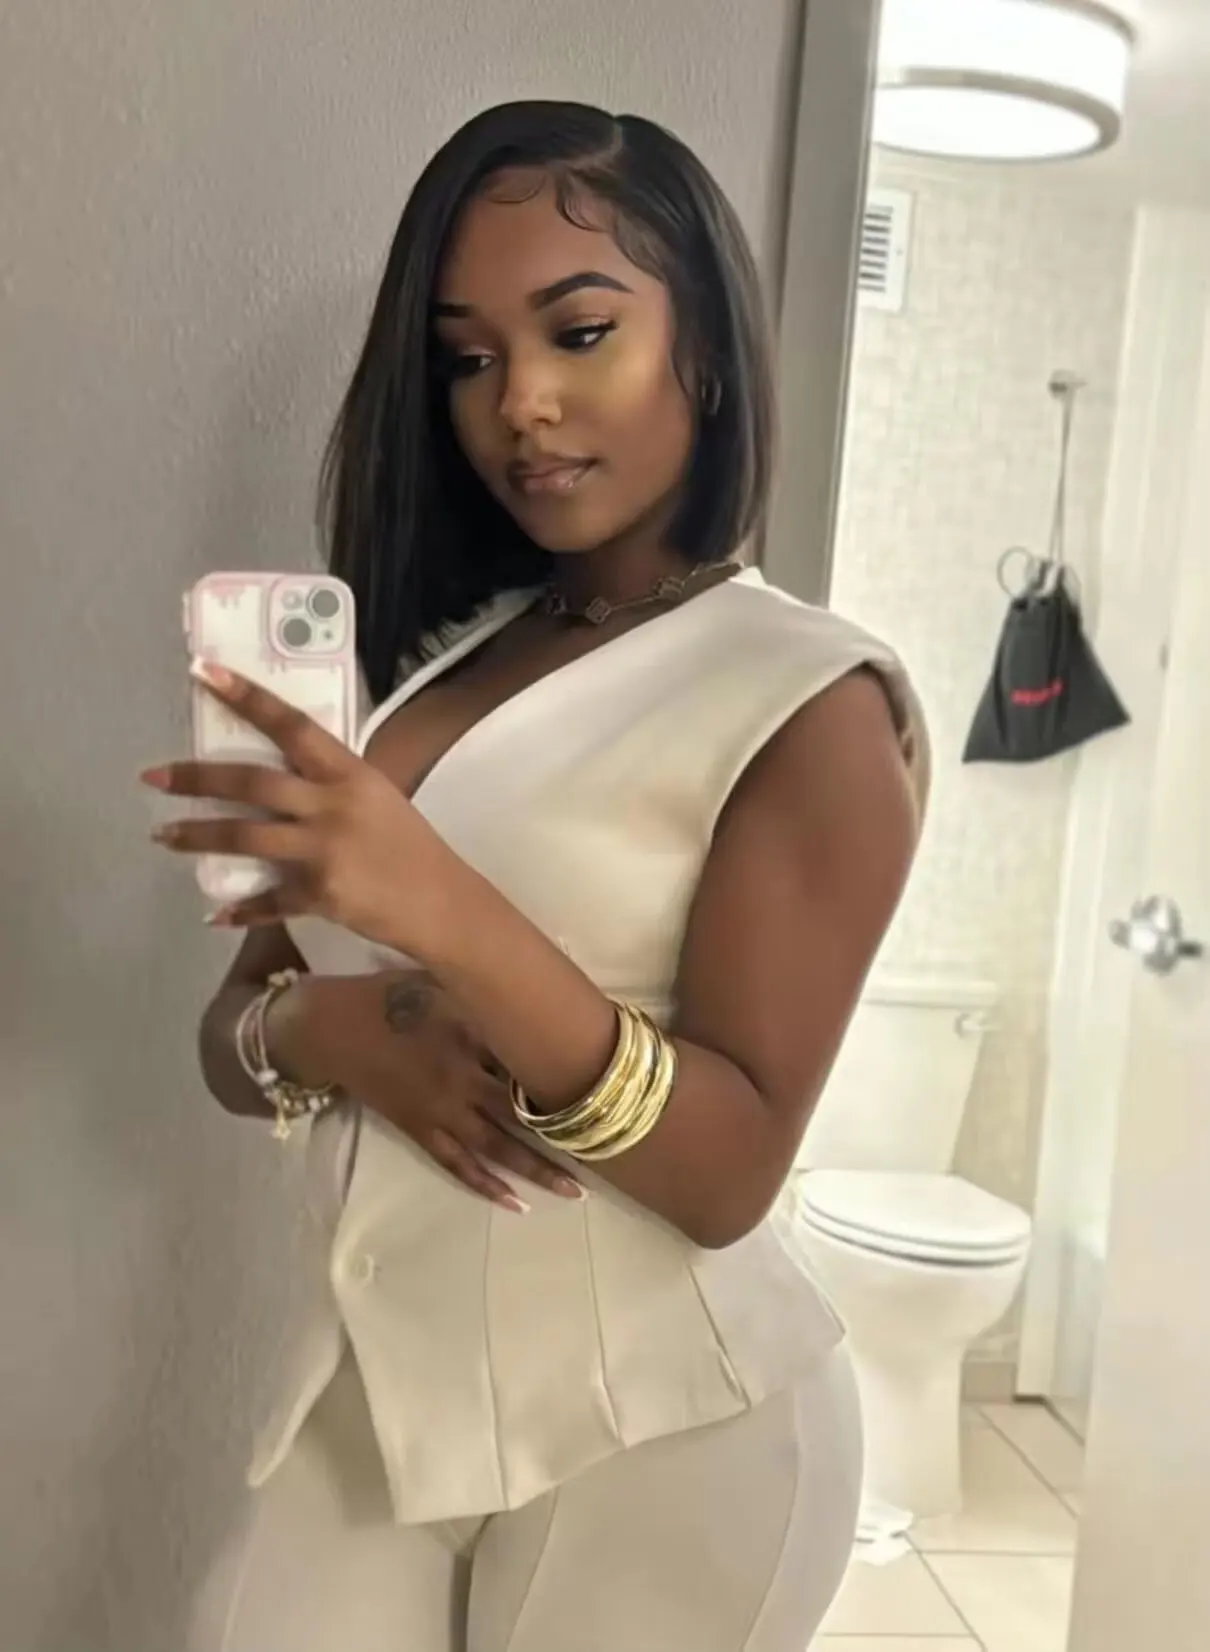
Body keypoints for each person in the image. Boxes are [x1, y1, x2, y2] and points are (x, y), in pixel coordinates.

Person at [146, 100, 927, 1652]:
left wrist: (436, 907)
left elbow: (727, 1174)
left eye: (580, 332)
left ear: (703, 350)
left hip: (667, 1434)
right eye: (467, 357)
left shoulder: (809, 698)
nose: (521, 404)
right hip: (379, 1400)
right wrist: (332, 1032)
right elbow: (241, 1035)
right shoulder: (446, 661)